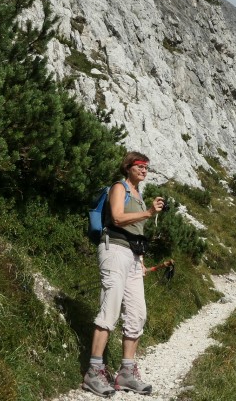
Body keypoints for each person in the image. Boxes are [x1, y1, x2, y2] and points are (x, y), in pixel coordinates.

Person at [82, 151, 165, 397]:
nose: (144, 170)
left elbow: (136, 232)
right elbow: (117, 218)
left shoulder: (139, 196)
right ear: (128, 167)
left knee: (137, 313)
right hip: (114, 249)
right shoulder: (120, 188)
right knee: (110, 309)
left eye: (147, 167)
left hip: (132, 256)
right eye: (140, 165)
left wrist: (140, 260)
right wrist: (149, 213)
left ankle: (126, 373)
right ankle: (94, 371)